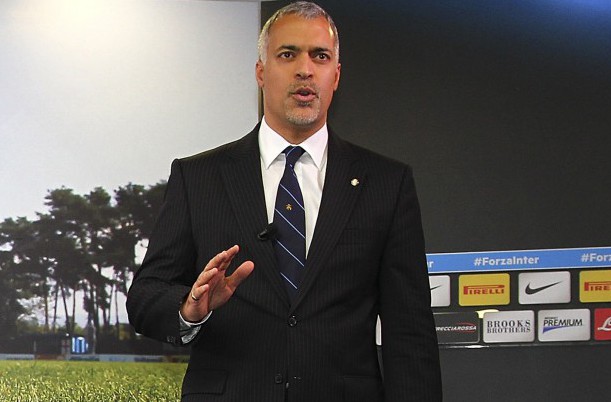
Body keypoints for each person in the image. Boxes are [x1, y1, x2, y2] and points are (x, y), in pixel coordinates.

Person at [127, 2, 442, 401]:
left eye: (320, 56)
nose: (305, 70)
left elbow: (410, 330)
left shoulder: (385, 183)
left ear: (336, 75)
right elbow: (146, 296)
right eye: (288, 54)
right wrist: (190, 307)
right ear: (261, 72)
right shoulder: (199, 177)